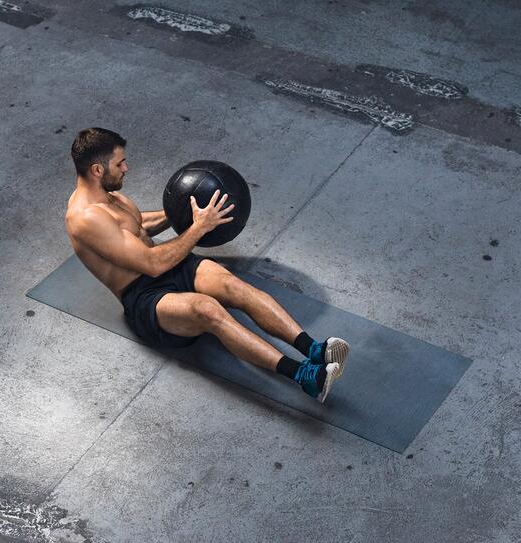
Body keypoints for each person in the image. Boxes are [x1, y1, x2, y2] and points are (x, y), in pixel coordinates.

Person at [64, 127, 349, 402]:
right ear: (97, 170)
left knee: (231, 284)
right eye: (120, 163)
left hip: (169, 267)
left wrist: (189, 209)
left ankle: (313, 349)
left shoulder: (111, 197)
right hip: (144, 297)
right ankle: (304, 377)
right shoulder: (85, 218)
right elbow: (151, 264)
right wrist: (199, 228)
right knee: (209, 310)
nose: (126, 168)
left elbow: (139, 227)